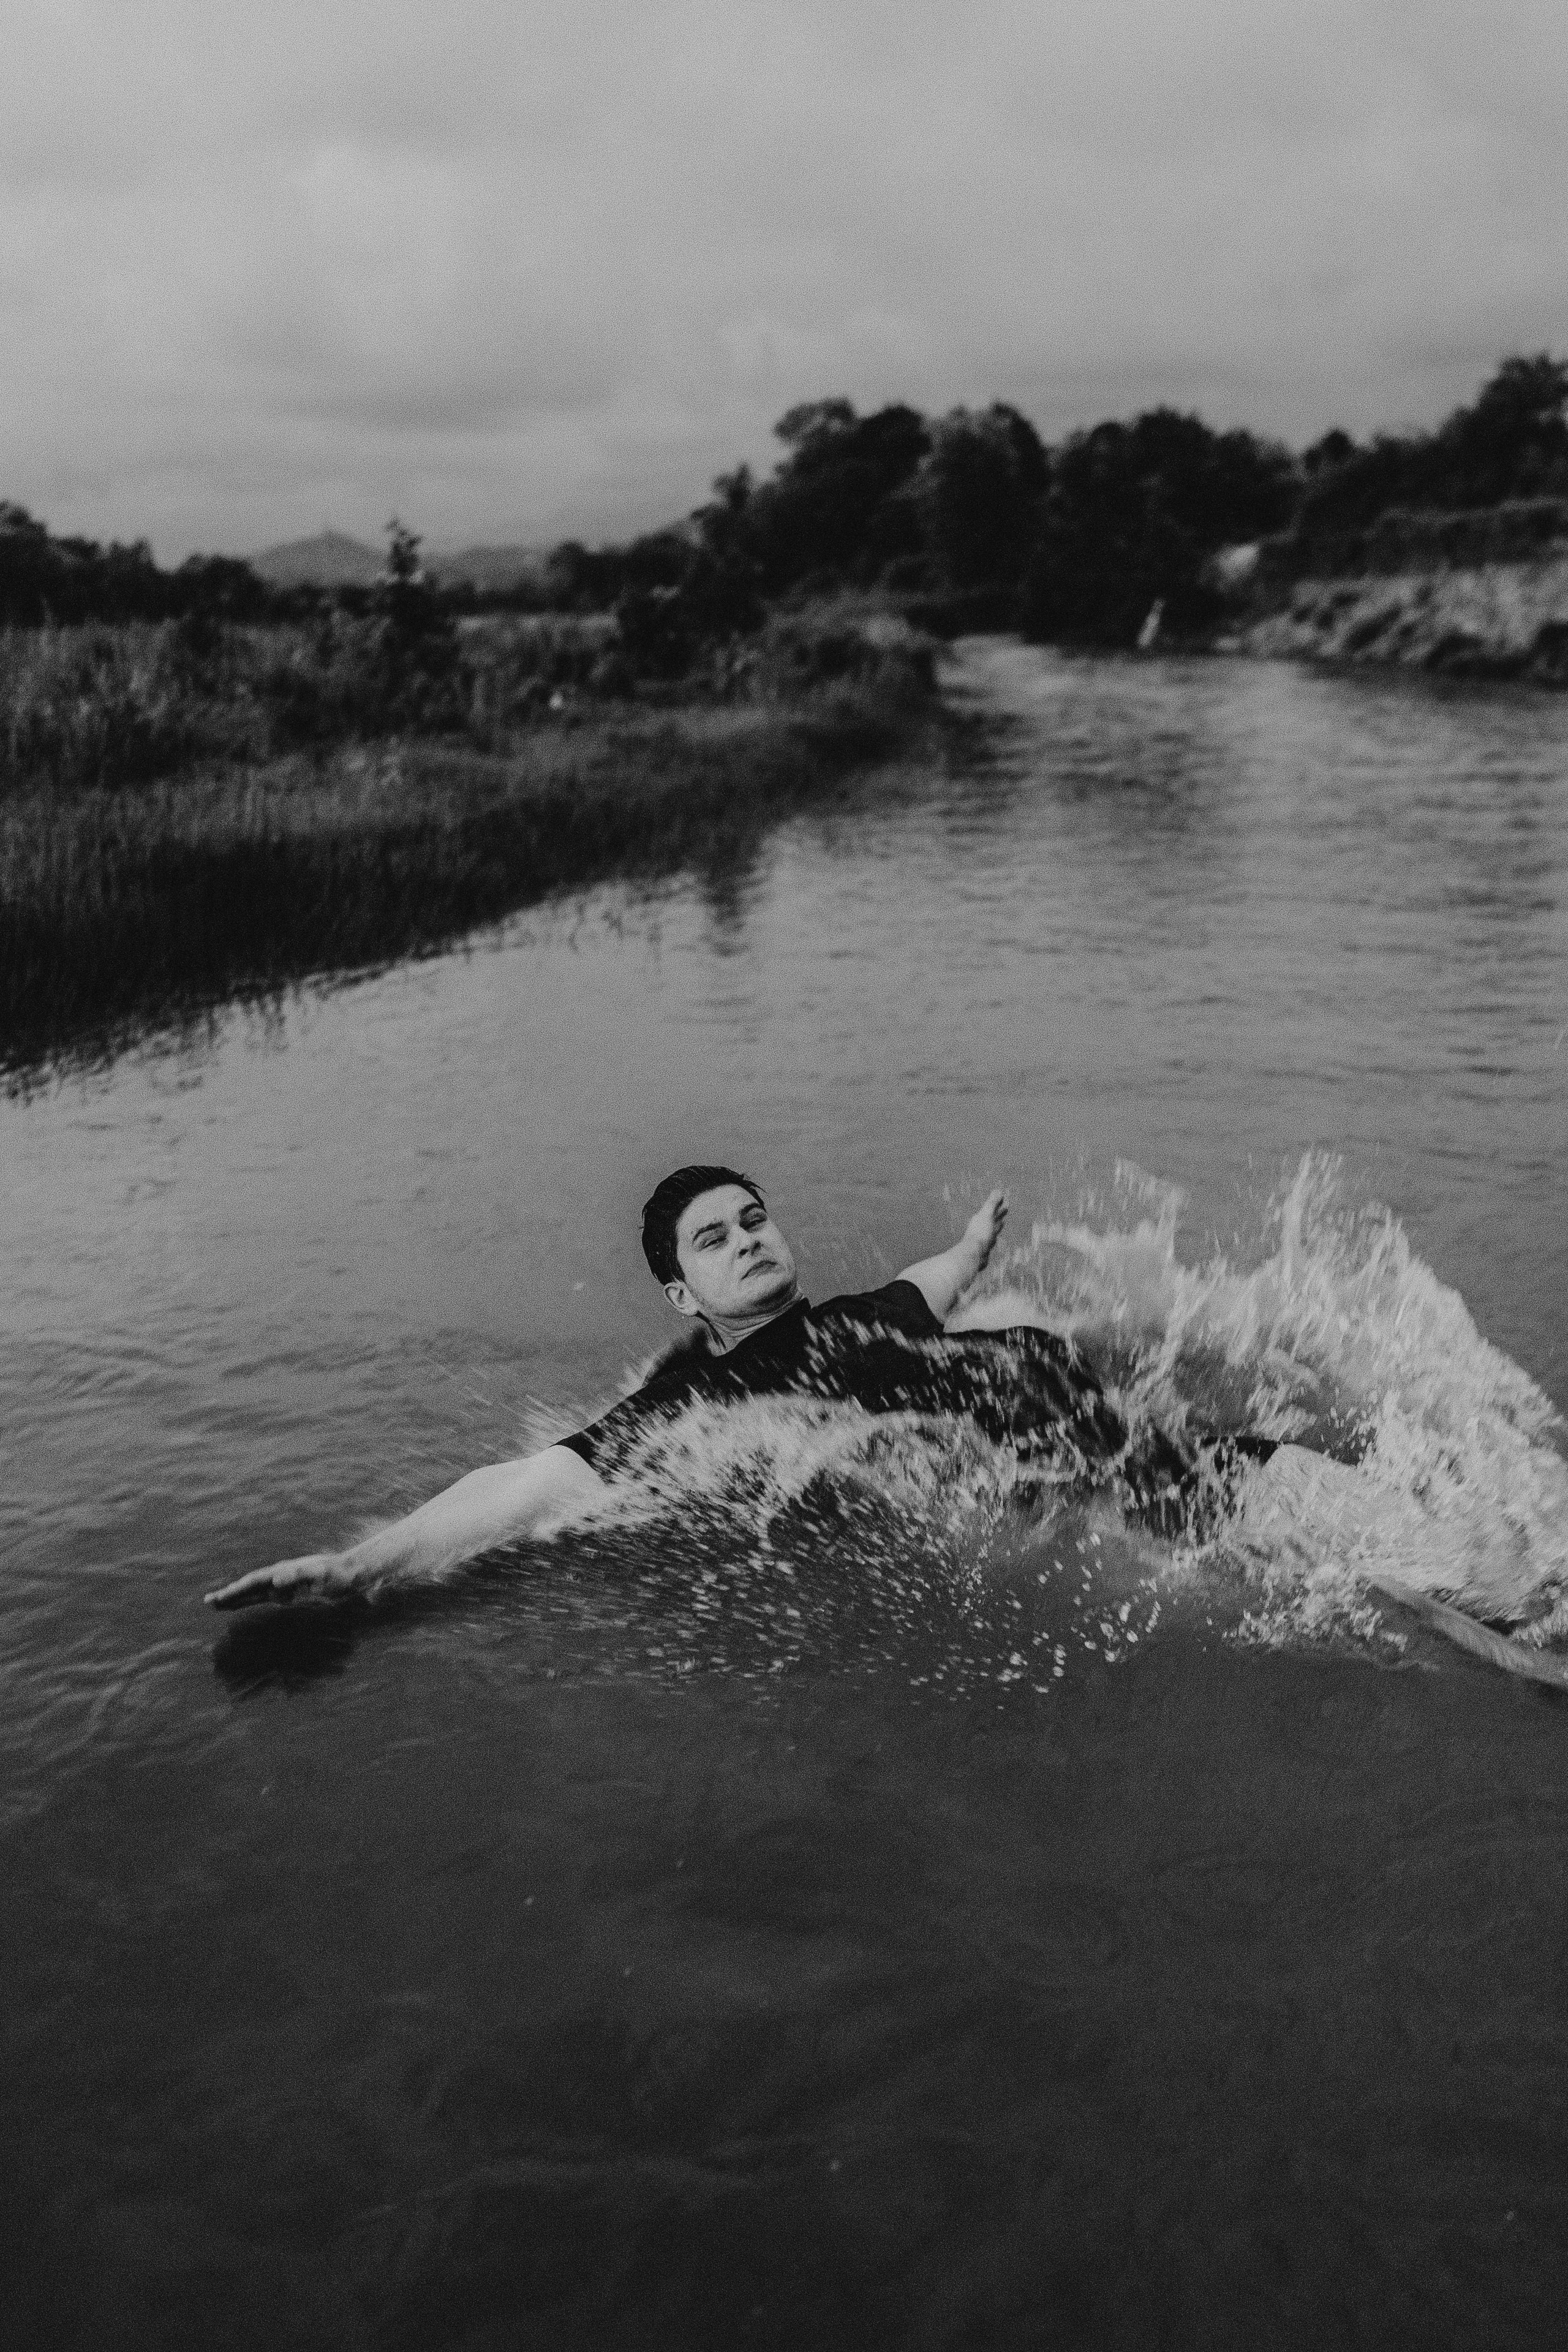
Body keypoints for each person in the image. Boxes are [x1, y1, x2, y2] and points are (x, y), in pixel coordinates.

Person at [205, 1164, 1194, 1613]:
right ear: (683, 1293)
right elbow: (520, 1487)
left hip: (1122, 1434)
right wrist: (358, 1567)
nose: (749, 1239)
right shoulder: (694, 1406)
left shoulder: (861, 1313)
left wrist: (973, 1247)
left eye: (754, 1219)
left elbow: (931, 1286)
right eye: (715, 1239)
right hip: (1097, 1490)